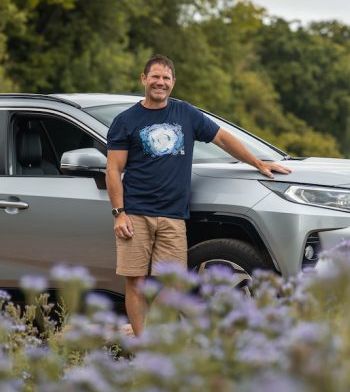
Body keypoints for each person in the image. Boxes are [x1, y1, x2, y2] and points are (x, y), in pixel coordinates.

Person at [106, 54, 291, 336]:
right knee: (135, 283)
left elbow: (223, 139)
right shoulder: (126, 120)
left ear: (173, 82)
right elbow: (113, 168)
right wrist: (119, 213)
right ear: (144, 79)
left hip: (173, 216)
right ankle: (143, 347)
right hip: (136, 214)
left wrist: (258, 162)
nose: (160, 82)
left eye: (166, 78)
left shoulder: (186, 114)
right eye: (155, 77)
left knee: (176, 283)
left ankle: (148, 331)